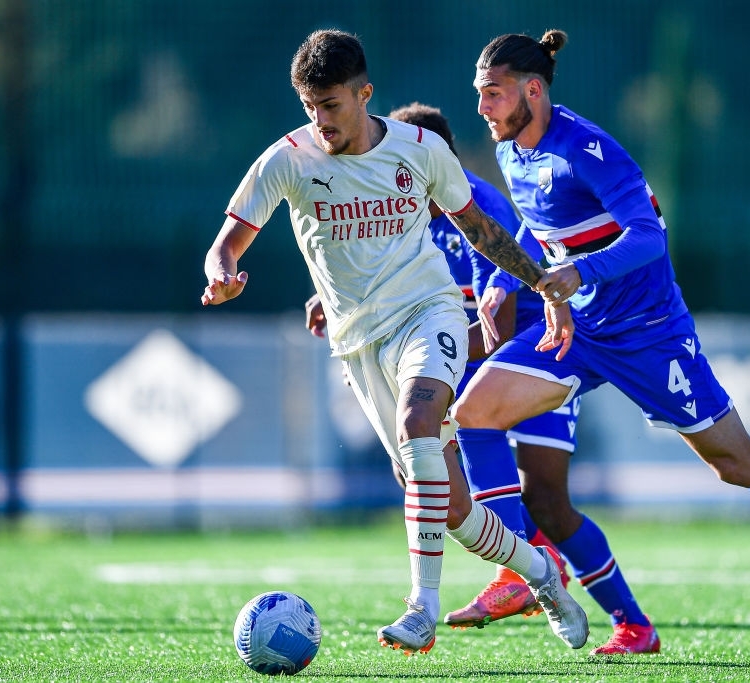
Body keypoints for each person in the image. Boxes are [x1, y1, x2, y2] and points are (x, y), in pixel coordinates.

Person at [451, 29, 750, 659]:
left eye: (492, 94)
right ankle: (517, 567)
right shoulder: (510, 149)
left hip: (648, 334)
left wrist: (580, 271)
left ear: (533, 89)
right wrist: (504, 278)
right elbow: (537, 222)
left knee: (736, 463)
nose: (483, 109)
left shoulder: (589, 149)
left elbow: (648, 237)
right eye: (479, 95)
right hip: (578, 330)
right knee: (473, 412)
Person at [200, 29, 588, 656]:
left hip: (427, 313)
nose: (321, 120)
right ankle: (541, 574)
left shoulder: (419, 149)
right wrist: (220, 272)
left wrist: (540, 282)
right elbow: (229, 239)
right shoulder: (288, 159)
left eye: (332, 104)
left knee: (418, 420)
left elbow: (481, 230)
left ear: (364, 93)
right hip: (357, 344)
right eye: (310, 107)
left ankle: (420, 611)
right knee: (454, 510)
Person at [307, 102, 658, 655]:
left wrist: (433, 364)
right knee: (439, 489)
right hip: (471, 377)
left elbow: (495, 327)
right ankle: (531, 575)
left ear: (435, 157)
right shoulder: (398, 209)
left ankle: (622, 619)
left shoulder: (478, 207)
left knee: (546, 500)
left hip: (534, 356)